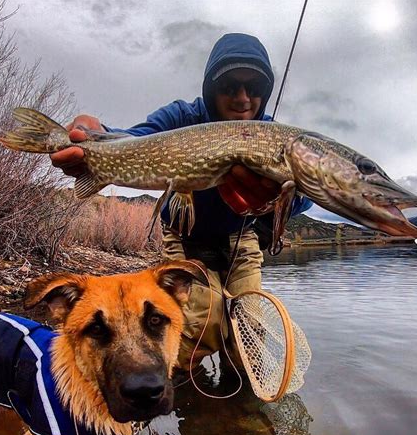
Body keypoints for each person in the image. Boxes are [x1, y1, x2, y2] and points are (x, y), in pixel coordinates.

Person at [51, 33, 313, 374]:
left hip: (241, 241)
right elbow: (136, 140)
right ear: (211, 87)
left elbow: (305, 195)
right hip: (185, 235)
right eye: (231, 86)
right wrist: (97, 138)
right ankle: (176, 396)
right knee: (196, 325)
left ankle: (240, 408)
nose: (243, 97)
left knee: (249, 332)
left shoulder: (269, 136)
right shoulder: (181, 116)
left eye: (255, 87)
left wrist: (278, 200)